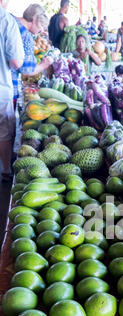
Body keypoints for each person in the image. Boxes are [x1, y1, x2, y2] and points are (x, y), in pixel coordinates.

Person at [0, 0, 24, 182]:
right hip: (1, 87)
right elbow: (15, 62)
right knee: (4, 132)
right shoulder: (7, 21)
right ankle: (6, 170)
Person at [12, 5, 52, 109]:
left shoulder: (10, 21)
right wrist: (44, 65)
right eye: (41, 25)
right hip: (8, 85)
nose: (41, 30)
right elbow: (27, 70)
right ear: (34, 20)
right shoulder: (26, 36)